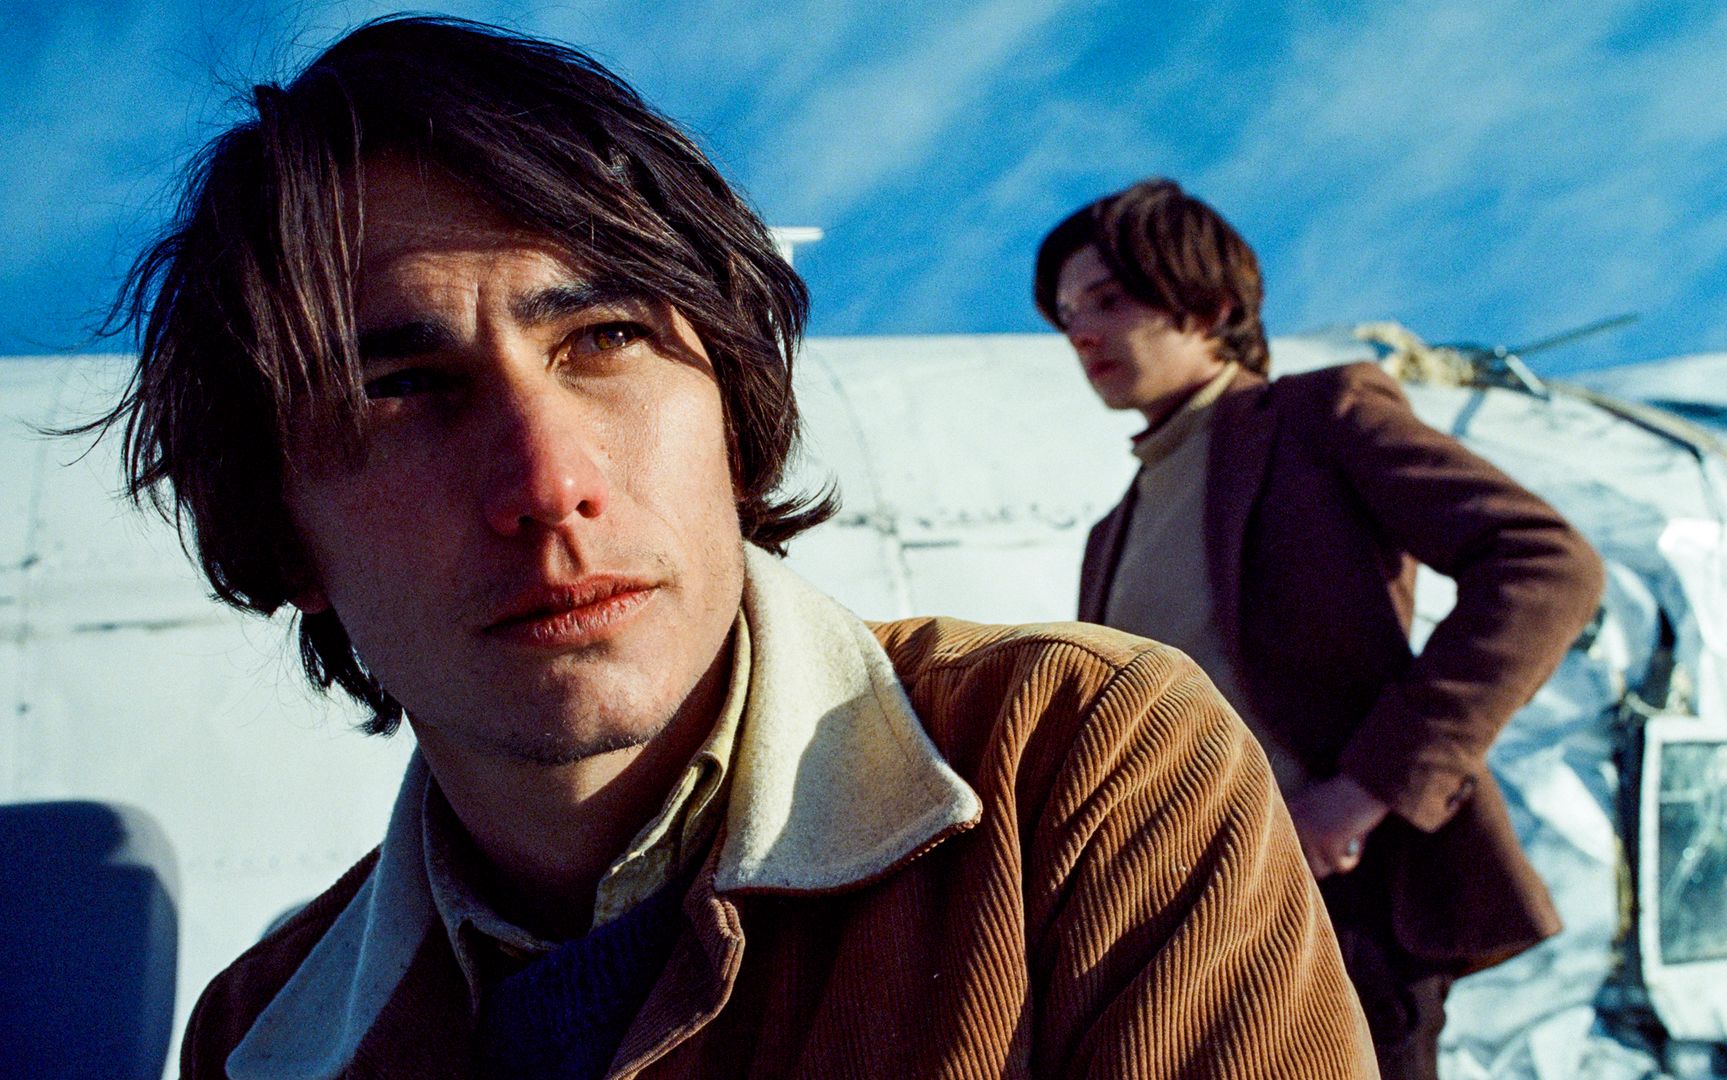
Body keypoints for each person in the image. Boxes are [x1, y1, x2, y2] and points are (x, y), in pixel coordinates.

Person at [91, 18, 1379, 1079]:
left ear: (733, 417)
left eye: (603, 339)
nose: (548, 487)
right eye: (401, 391)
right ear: (284, 534)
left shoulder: (1081, 765)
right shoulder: (254, 1033)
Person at [1034, 179, 1606, 1079]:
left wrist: (1364, 790)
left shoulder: (1316, 416)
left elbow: (1545, 564)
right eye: (1065, 313)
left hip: (1349, 916)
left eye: (1109, 299)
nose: (1081, 333)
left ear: (1212, 306)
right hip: (1188, 945)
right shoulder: (1113, 531)